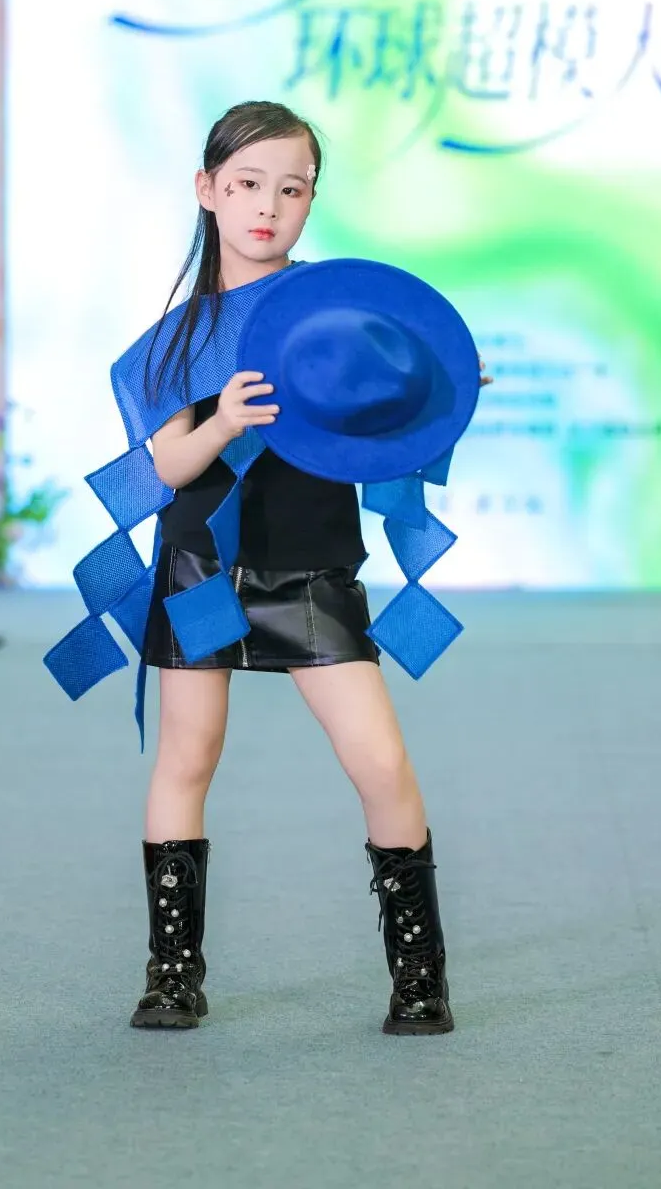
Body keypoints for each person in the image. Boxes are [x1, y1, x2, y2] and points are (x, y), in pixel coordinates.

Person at [128, 99, 489, 1036]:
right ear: (207, 190)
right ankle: (173, 973)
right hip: (201, 569)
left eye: (290, 190)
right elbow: (165, 468)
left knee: (380, 760)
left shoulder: (342, 314)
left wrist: (438, 390)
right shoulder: (178, 334)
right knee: (187, 757)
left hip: (313, 567)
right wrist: (222, 422)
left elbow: (395, 408)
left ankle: (420, 976)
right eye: (247, 185)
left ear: (311, 200)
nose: (267, 207)